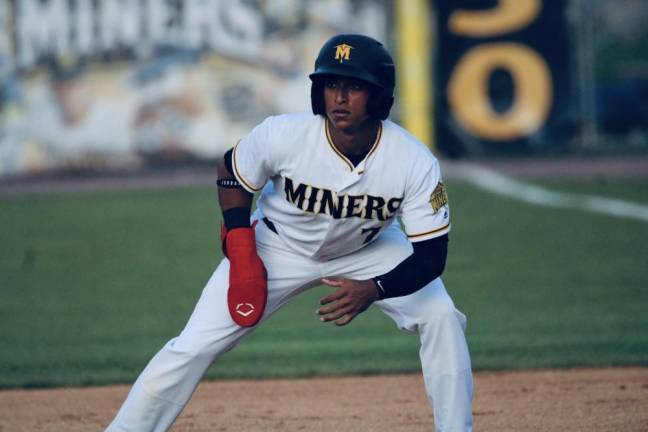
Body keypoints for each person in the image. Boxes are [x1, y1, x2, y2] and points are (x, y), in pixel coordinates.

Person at [107, 34, 473, 432]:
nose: (340, 97)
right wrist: (240, 242)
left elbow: (432, 258)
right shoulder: (283, 134)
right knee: (192, 346)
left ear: (381, 96)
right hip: (277, 245)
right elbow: (232, 172)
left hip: (369, 250)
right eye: (332, 85)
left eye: (353, 87)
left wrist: (376, 288)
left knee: (441, 315)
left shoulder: (413, 161)